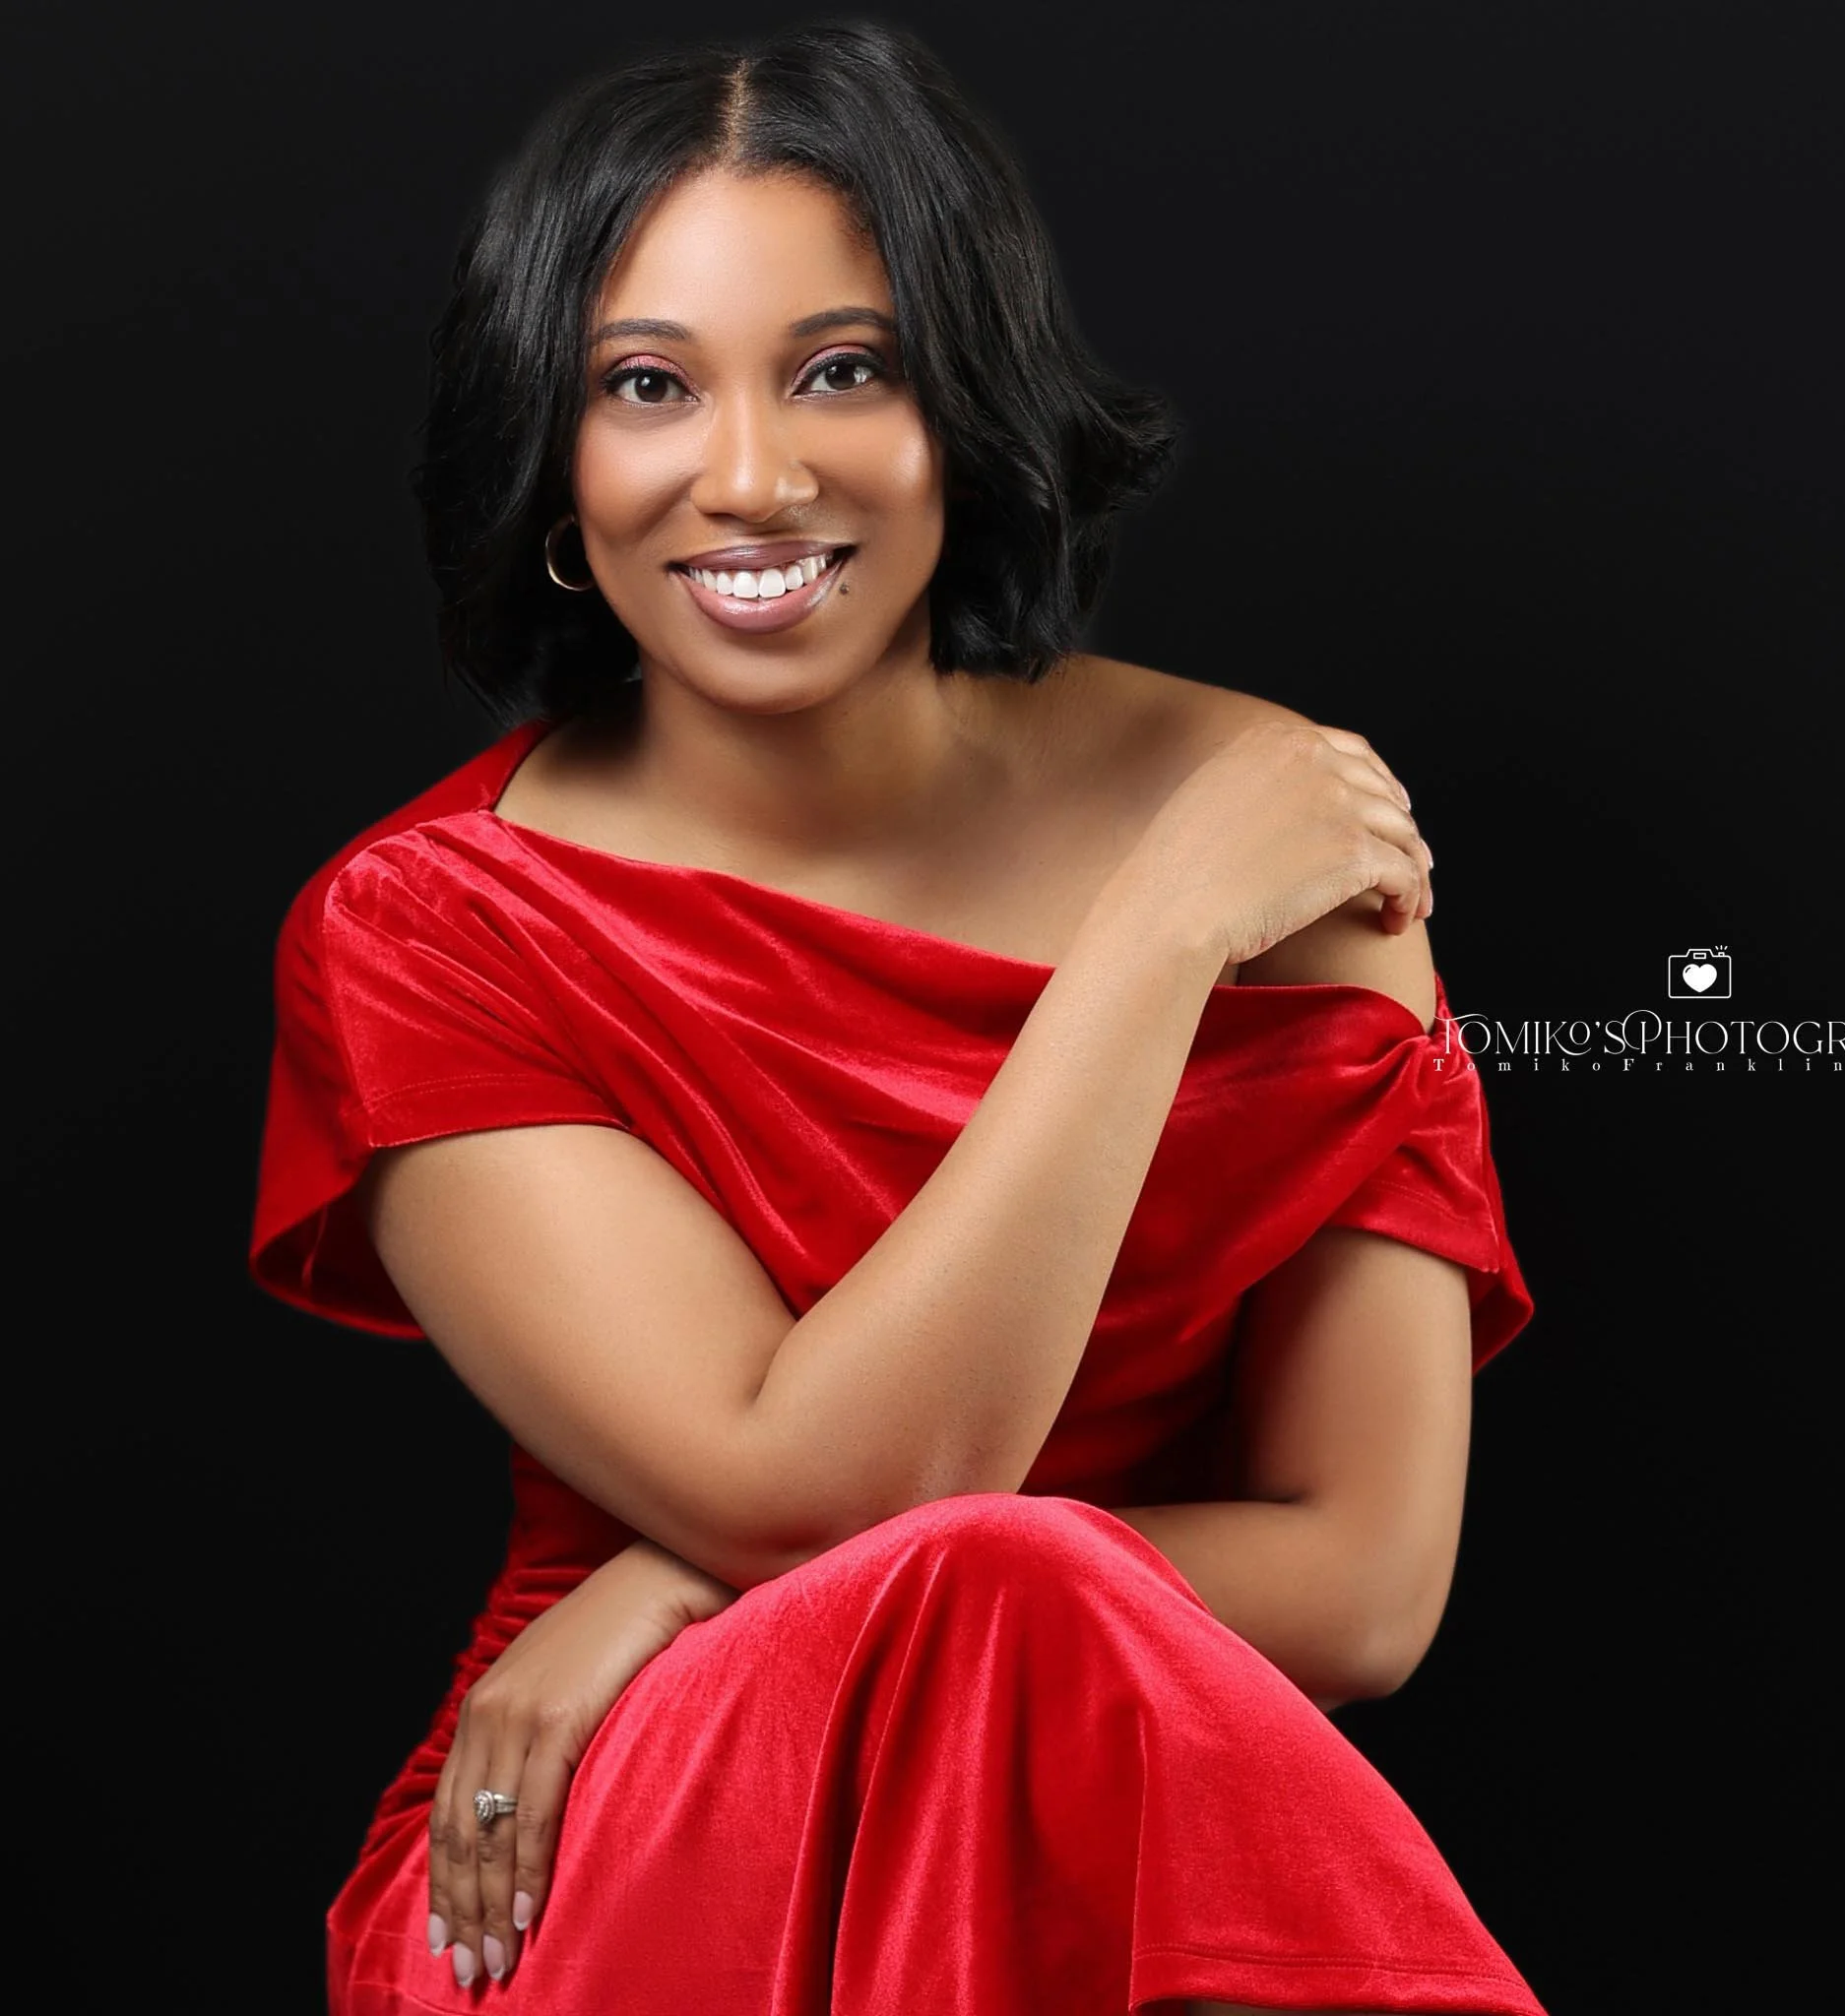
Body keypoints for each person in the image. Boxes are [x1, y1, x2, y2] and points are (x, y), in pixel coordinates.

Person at [248, 20, 1545, 2014]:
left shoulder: (1276, 820)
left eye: (841, 369)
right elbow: (835, 1499)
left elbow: (1365, 1584)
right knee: (998, 1579)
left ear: (969, 400)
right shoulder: (429, 930)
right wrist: (1150, 947)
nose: (751, 476)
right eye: (647, 386)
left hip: (1062, 1777)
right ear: (554, 456)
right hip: (622, 1817)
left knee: (1012, 1600)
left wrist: (679, 1575)